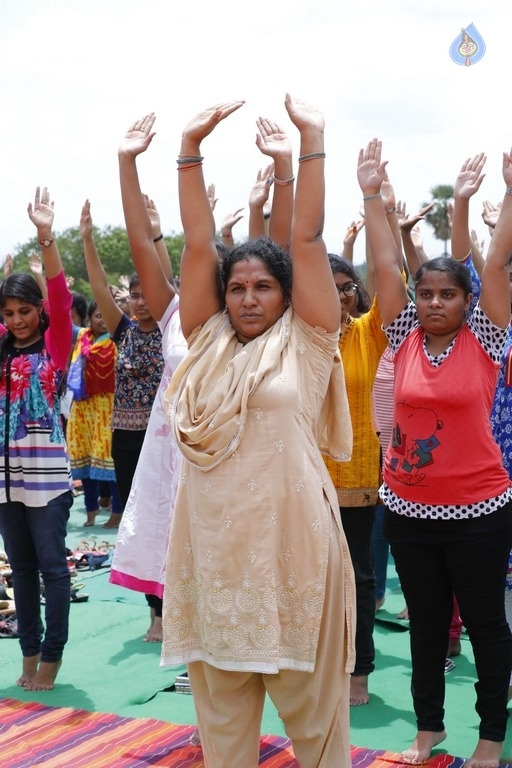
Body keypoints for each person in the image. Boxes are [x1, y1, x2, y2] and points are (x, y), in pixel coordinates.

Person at [161, 96, 354, 768]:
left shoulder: (308, 342)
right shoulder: (206, 338)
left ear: (286, 293)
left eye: (264, 286)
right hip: (213, 559)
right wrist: (188, 150)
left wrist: (309, 143)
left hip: (293, 554)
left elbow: (304, 241)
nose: (248, 298)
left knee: (317, 729)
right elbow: (193, 244)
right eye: (237, 286)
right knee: (223, 734)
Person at [358, 140, 512, 768]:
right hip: (407, 508)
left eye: (448, 295)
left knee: (484, 626)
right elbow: (384, 272)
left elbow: (497, 264)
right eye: (428, 295)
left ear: (467, 302)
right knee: (424, 624)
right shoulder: (402, 336)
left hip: (478, 509)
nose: (435, 303)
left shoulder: (487, 340)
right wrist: (372, 196)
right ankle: (428, 731)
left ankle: (490, 737)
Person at [110, 115, 187, 644]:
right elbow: (143, 250)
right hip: (167, 456)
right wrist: (127, 164)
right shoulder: (174, 316)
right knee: (166, 543)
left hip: (227, 462)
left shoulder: (244, 325)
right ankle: (166, 624)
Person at [0, 187, 73, 691]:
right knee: (21, 569)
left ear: (38, 311)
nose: (17, 319)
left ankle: (51, 657)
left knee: (52, 567)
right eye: (8, 312)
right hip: (6, 477)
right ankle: (28, 651)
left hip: (47, 478)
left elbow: (60, 293)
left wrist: (47, 238)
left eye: (24, 310)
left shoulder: (57, 343)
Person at [80, 201, 165, 529]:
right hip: (125, 438)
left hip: (162, 435)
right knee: (135, 513)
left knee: (164, 512)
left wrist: (154, 234)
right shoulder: (123, 331)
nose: (141, 302)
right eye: (134, 295)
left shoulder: (171, 330)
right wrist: (87, 239)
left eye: (147, 294)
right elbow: (100, 287)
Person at [66, 300, 122, 527]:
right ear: (89, 318)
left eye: (106, 315)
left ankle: (117, 511)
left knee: (111, 462)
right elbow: (56, 315)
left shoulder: (120, 336)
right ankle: (91, 508)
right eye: (98, 315)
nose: (103, 320)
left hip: (107, 410)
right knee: (84, 462)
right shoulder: (81, 337)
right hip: (82, 410)